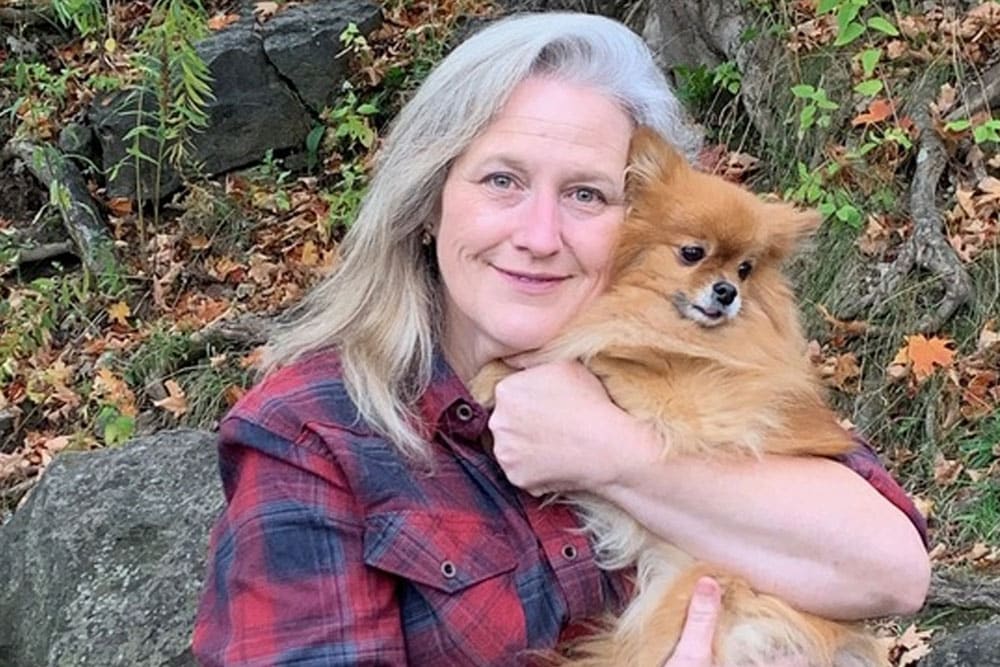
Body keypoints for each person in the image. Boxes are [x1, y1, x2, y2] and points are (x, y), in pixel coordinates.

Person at [192, 11, 930, 666]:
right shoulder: (313, 433)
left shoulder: (684, 352)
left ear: (637, 219)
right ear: (427, 204)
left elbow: (893, 569)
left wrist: (618, 454)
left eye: (586, 194)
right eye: (502, 181)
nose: (539, 236)